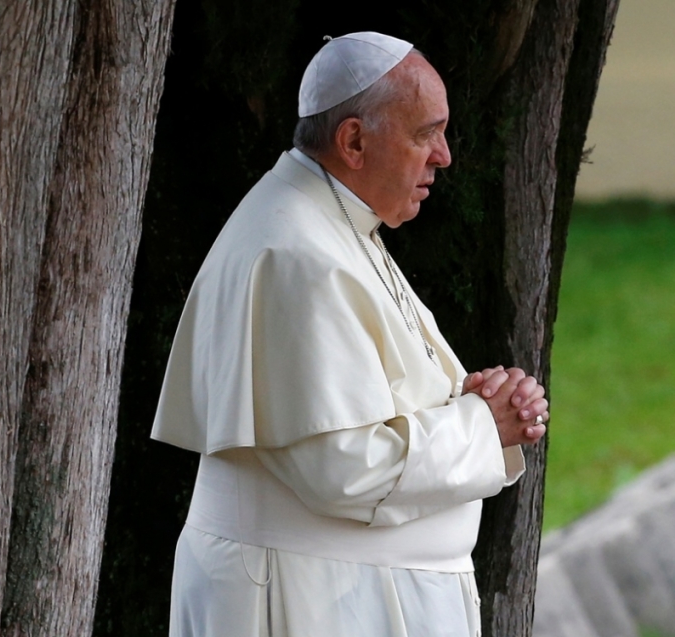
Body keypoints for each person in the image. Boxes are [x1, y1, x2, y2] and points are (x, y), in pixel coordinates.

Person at [151, 31, 549, 637]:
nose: (444, 156)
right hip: (307, 596)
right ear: (355, 140)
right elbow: (344, 470)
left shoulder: (329, 220)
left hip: (341, 587)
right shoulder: (298, 255)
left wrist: (471, 400)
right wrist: (483, 426)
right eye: (425, 134)